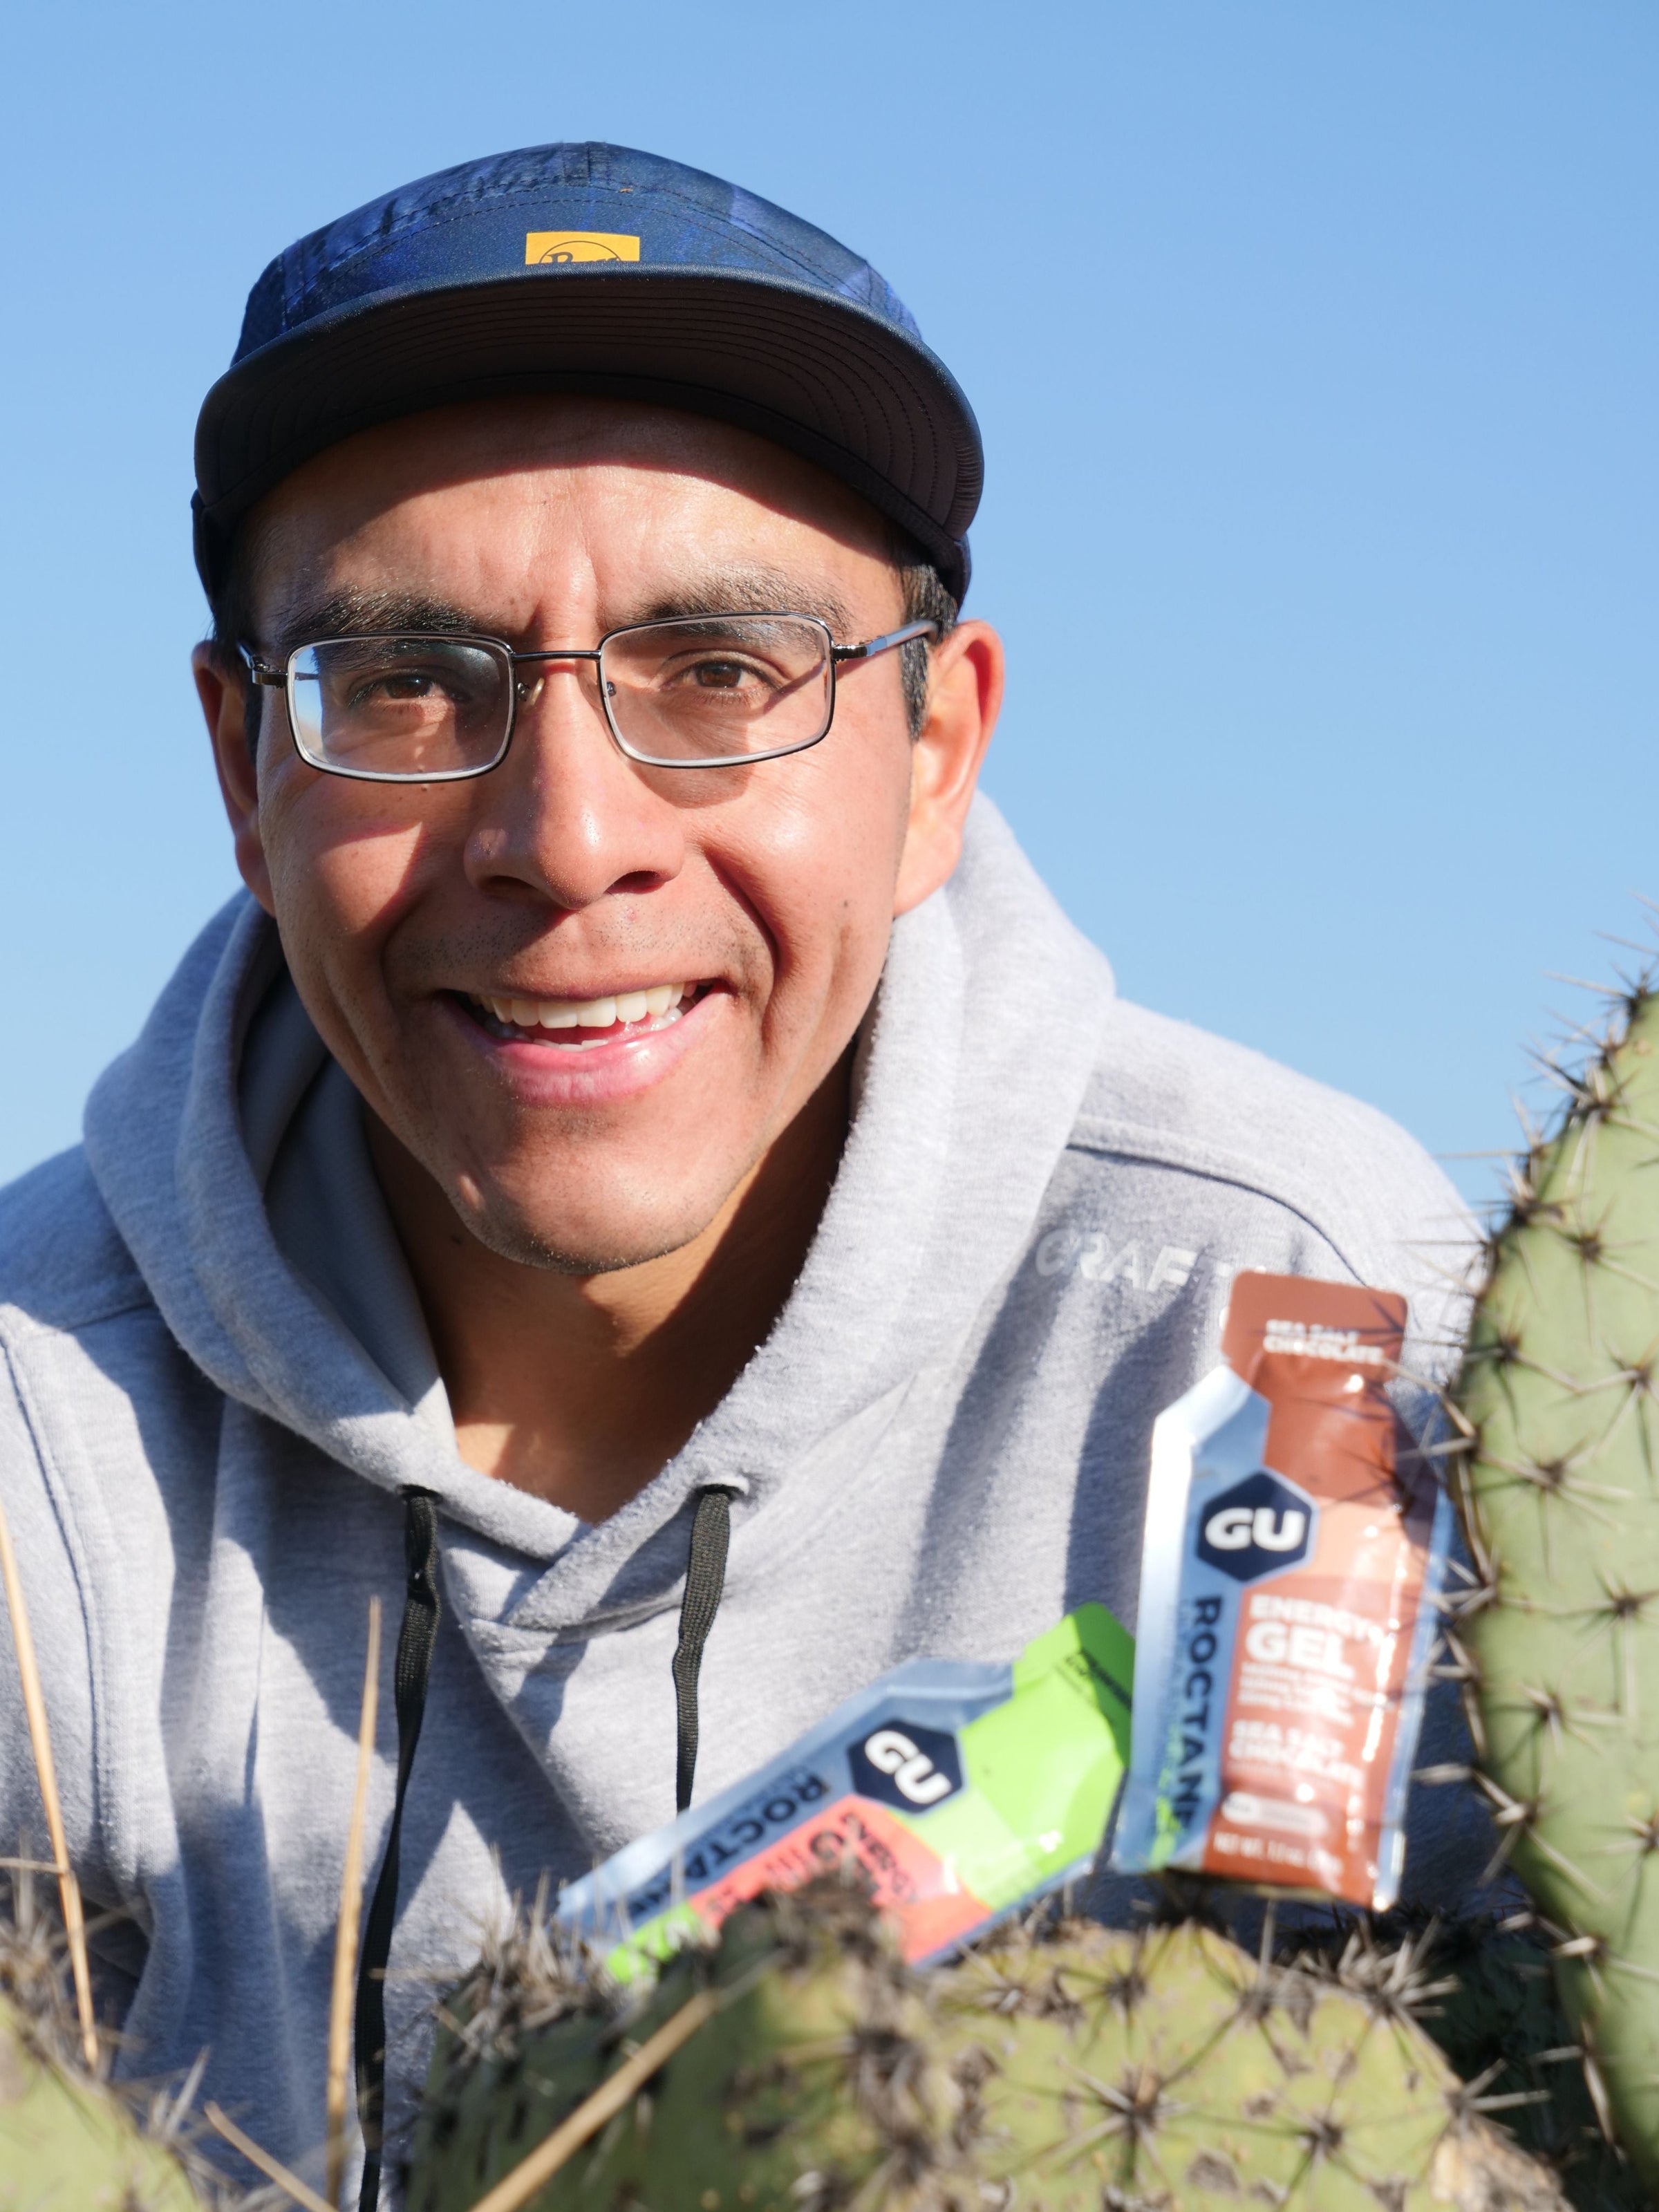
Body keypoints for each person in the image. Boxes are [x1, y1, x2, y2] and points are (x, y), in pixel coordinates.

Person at [0, 142, 1482, 2204]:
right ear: (245, 772)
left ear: (939, 753)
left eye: (720, 672)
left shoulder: (1287, 1324)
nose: (570, 834)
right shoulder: (27, 1420)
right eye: (410, 681)